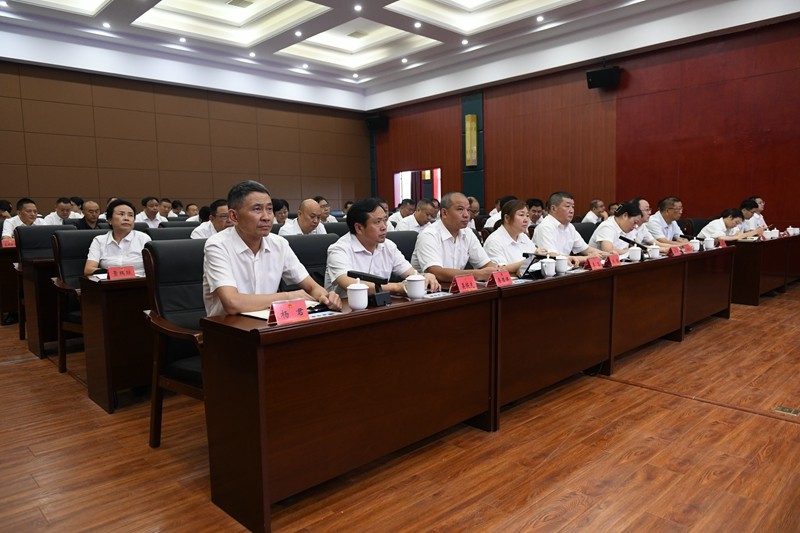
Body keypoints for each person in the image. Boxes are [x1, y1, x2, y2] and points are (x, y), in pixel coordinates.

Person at [202, 180, 341, 316]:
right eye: (257, 209)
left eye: (269, 209)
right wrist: (287, 297)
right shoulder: (217, 245)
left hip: (269, 324)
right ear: (234, 216)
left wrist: (326, 296)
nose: (267, 217)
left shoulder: (279, 244)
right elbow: (232, 303)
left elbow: (311, 286)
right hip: (229, 327)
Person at [325, 198, 439, 297]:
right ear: (359, 228)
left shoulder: (388, 246)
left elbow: (411, 274)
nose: (384, 227)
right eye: (378, 222)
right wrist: (396, 287)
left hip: (380, 306)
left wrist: (424, 276)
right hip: (347, 309)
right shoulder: (339, 250)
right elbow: (350, 284)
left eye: (385, 220)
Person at [411, 192, 499, 283]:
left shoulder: (468, 233)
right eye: (460, 209)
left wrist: (499, 271)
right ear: (444, 213)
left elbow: (486, 264)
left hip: (456, 287)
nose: (466, 215)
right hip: (428, 289)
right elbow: (436, 273)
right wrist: (478, 274)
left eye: (468, 210)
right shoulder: (429, 235)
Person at [533, 192, 606, 264]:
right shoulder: (545, 227)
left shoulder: (569, 227)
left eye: (573, 207)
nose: (572, 211)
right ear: (553, 208)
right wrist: (586, 258)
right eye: (567, 206)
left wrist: (606, 255)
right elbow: (553, 257)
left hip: (565, 268)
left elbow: (586, 249)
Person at [84, 199, 151, 276]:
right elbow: (88, 270)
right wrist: (113, 274)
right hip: (109, 282)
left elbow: (153, 268)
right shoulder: (99, 240)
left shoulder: (144, 239)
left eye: (130, 215)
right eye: (121, 214)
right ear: (109, 220)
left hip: (140, 282)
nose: (126, 218)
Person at [483, 199, 546, 275]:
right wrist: (531, 259)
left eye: (527, 216)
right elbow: (501, 270)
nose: (526, 220)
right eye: (521, 215)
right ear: (507, 218)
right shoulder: (494, 241)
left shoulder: (523, 236)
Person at [698, 208, 762, 242]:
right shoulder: (716, 224)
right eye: (736, 222)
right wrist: (737, 237)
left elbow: (739, 234)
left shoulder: (730, 226)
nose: (736, 225)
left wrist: (755, 232)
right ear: (730, 217)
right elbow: (721, 238)